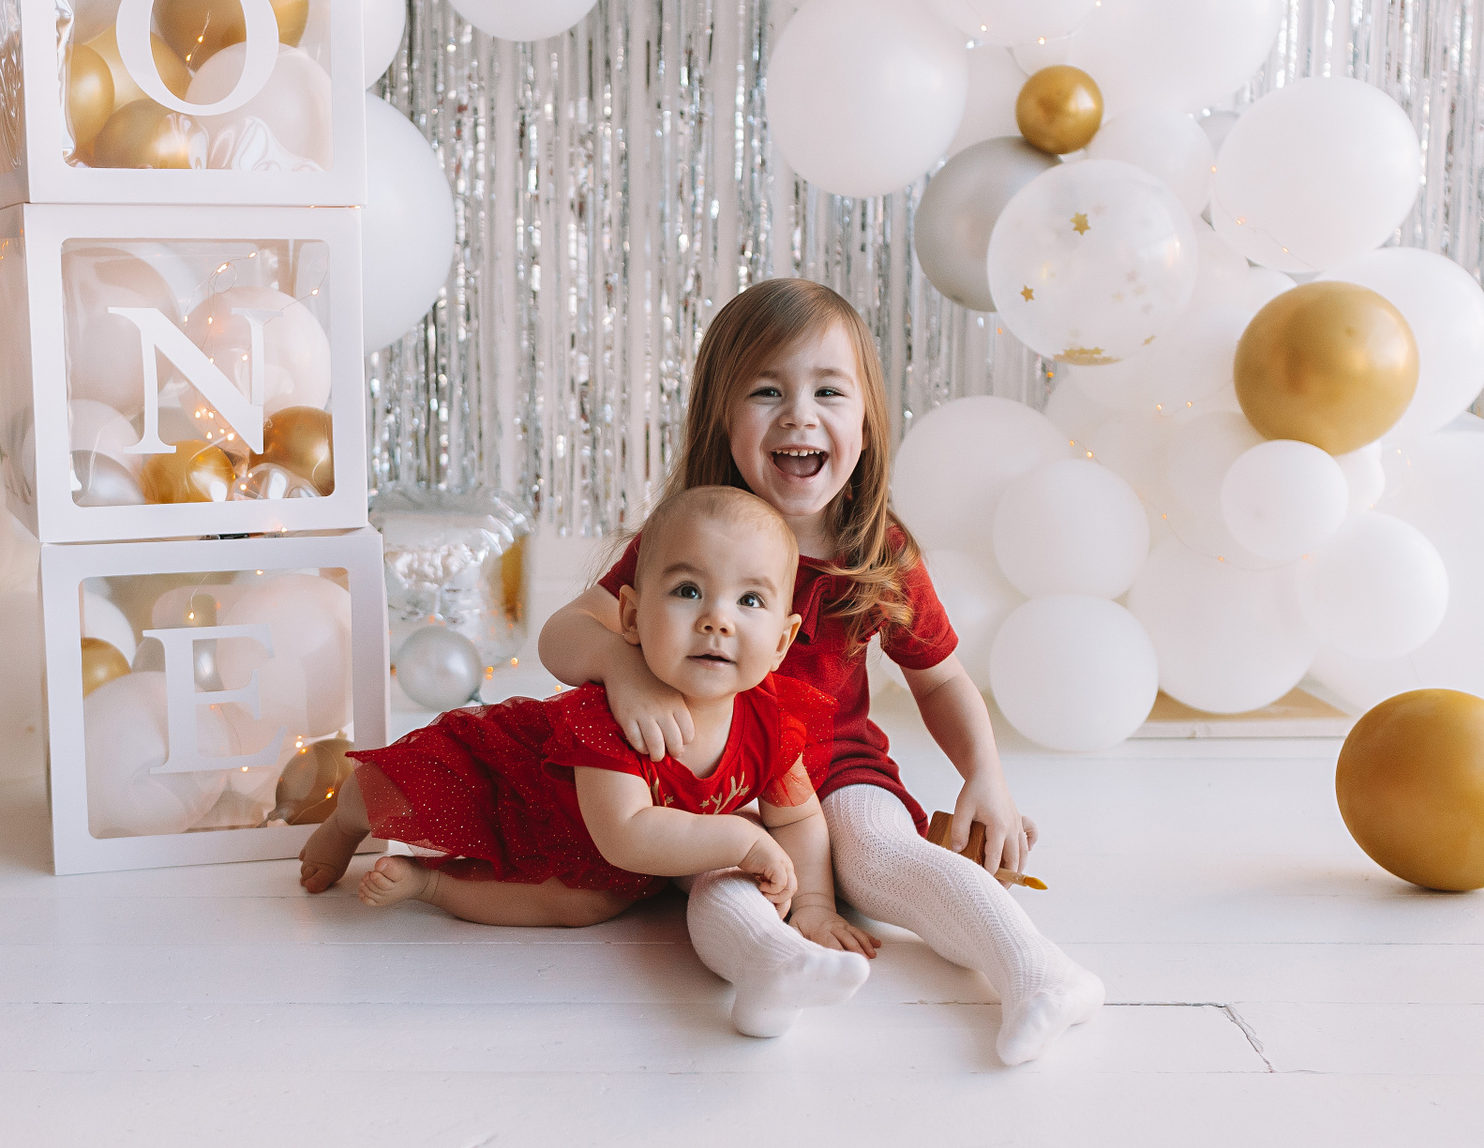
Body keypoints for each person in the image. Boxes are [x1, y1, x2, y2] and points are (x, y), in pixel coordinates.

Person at [540, 278, 1103, 1064]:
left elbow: (940, 679)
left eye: (829, 391)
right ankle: (772, 967)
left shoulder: (877, 551)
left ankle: (1040, 973)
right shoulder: (692, 537)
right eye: (767, 391)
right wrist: (617, 664)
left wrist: (985, 777)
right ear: (723, 418)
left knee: (878, 857)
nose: (799, 415)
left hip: (836, 767)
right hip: (717, 776)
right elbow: (563, 633)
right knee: (724, 874)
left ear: (865, 424)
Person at [296, 485, 877, 1018]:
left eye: (750, 600)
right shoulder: (611, 715)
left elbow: (797, 817)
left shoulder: (772, 718)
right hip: (521, 789)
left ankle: (431, 886)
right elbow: (625, 833)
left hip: (604, 865)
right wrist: (742, 840)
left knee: (585, 909)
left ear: (781, 642)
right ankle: (342, 824)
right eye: (688, 591)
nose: (716, 620)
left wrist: (815, 903)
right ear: (631, 617)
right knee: (388, 792)